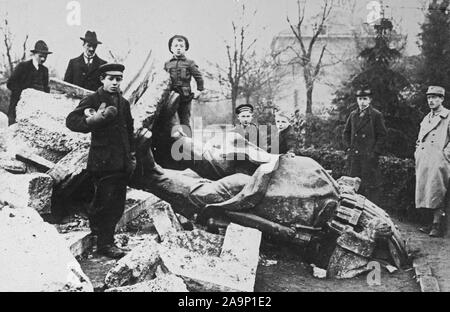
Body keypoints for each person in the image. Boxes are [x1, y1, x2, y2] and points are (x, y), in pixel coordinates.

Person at [66, 63, 135, 259]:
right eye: (111, 79)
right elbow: (71, 121)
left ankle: (105, 237)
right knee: (105, 203)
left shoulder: (124, 103)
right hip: (102, 161)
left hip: (121, 161)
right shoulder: (93, 99)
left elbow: (129, 131)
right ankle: (105, 244)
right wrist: (90, 120)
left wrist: (132, 156)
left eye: (118, 79)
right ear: (102, 79)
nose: (115, 82)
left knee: (117, 204)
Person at [342, 86, 387, 204]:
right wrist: (348, 148)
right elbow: (346, 132)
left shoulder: (376, 115)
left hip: (369, 157)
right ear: (357, 100)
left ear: (369, 100)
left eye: (365, 99)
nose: (362, 102)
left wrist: (375, 152)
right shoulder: (353, 115)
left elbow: (382, 135)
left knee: (370, 187)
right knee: (354, 186)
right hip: (355, 157)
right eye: (360, 99)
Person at [415, 85, 449, 237]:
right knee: (426, 191)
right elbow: (420, 138)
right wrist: (417, 152)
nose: (431, 101)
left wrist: (445, 155)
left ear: (441, 99)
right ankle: (429, 223)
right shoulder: (426, 118)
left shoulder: (448, 116)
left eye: (435, 97)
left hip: (438, 159)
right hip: (424, 159)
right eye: (429, 97)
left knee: (437, 191)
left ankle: (437, 224)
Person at [164, 35, 204, 133]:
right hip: (171, 97)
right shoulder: (167, 64)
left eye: (181, 46)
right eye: (176, 46)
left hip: (184, 96)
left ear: (185, 48)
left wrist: (199, 90)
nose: (178, 48)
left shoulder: (190, 63)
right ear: (171, 48)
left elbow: (198, 77)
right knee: (169, 121)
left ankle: (187, 146)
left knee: (184, 121)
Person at [6, 40, 52, 125]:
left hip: (36, 110)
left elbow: (46, 89)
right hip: (18, 107)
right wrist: (24, 94)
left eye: (45, 57)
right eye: (40, 56)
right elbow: (10, 83)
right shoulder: (22, 66)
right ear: (34, 54)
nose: (43, 59)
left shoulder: (44, 71)